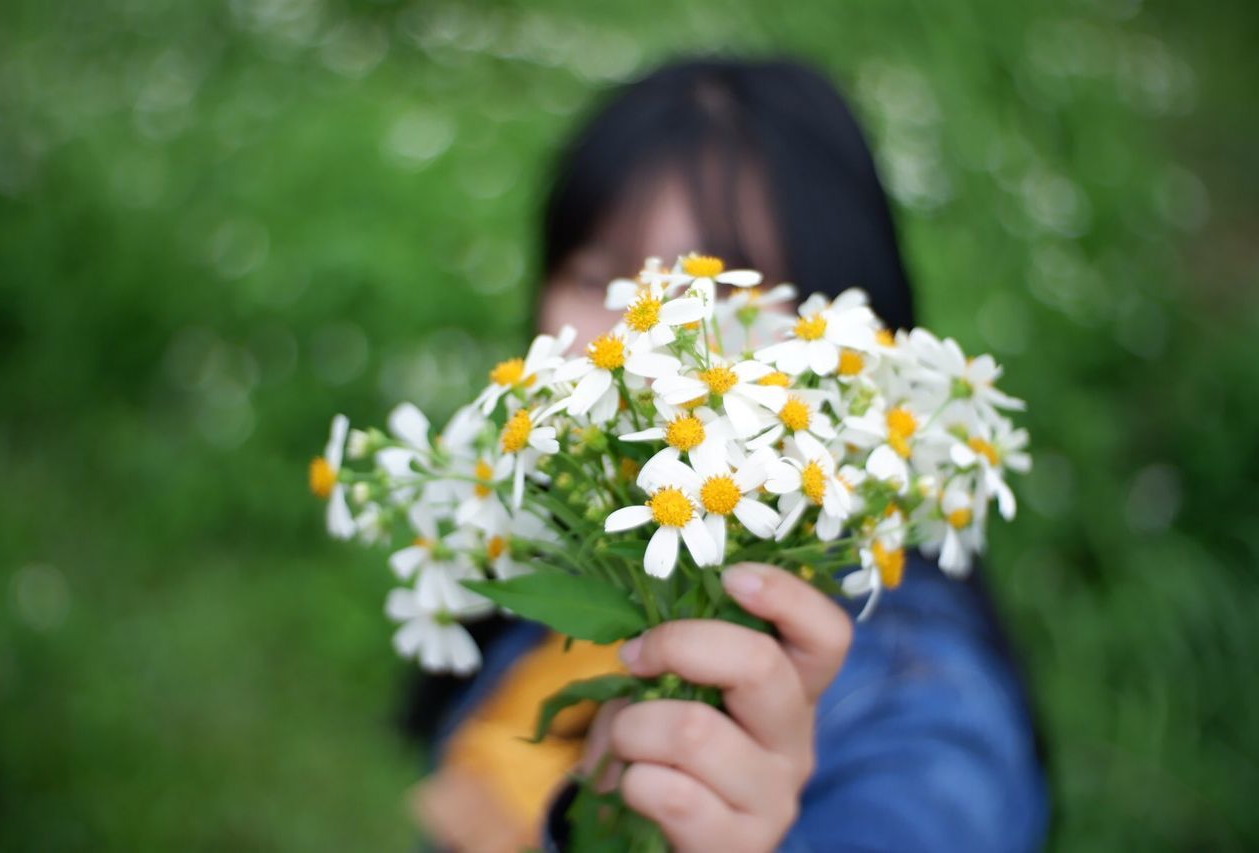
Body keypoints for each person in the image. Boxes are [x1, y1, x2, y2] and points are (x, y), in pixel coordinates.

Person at [404, 57, 1049, 852]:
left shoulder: (919, 704)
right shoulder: (580, 542)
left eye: (723, 297)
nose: (644, 337)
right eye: (602, 278)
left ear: (857, 353)